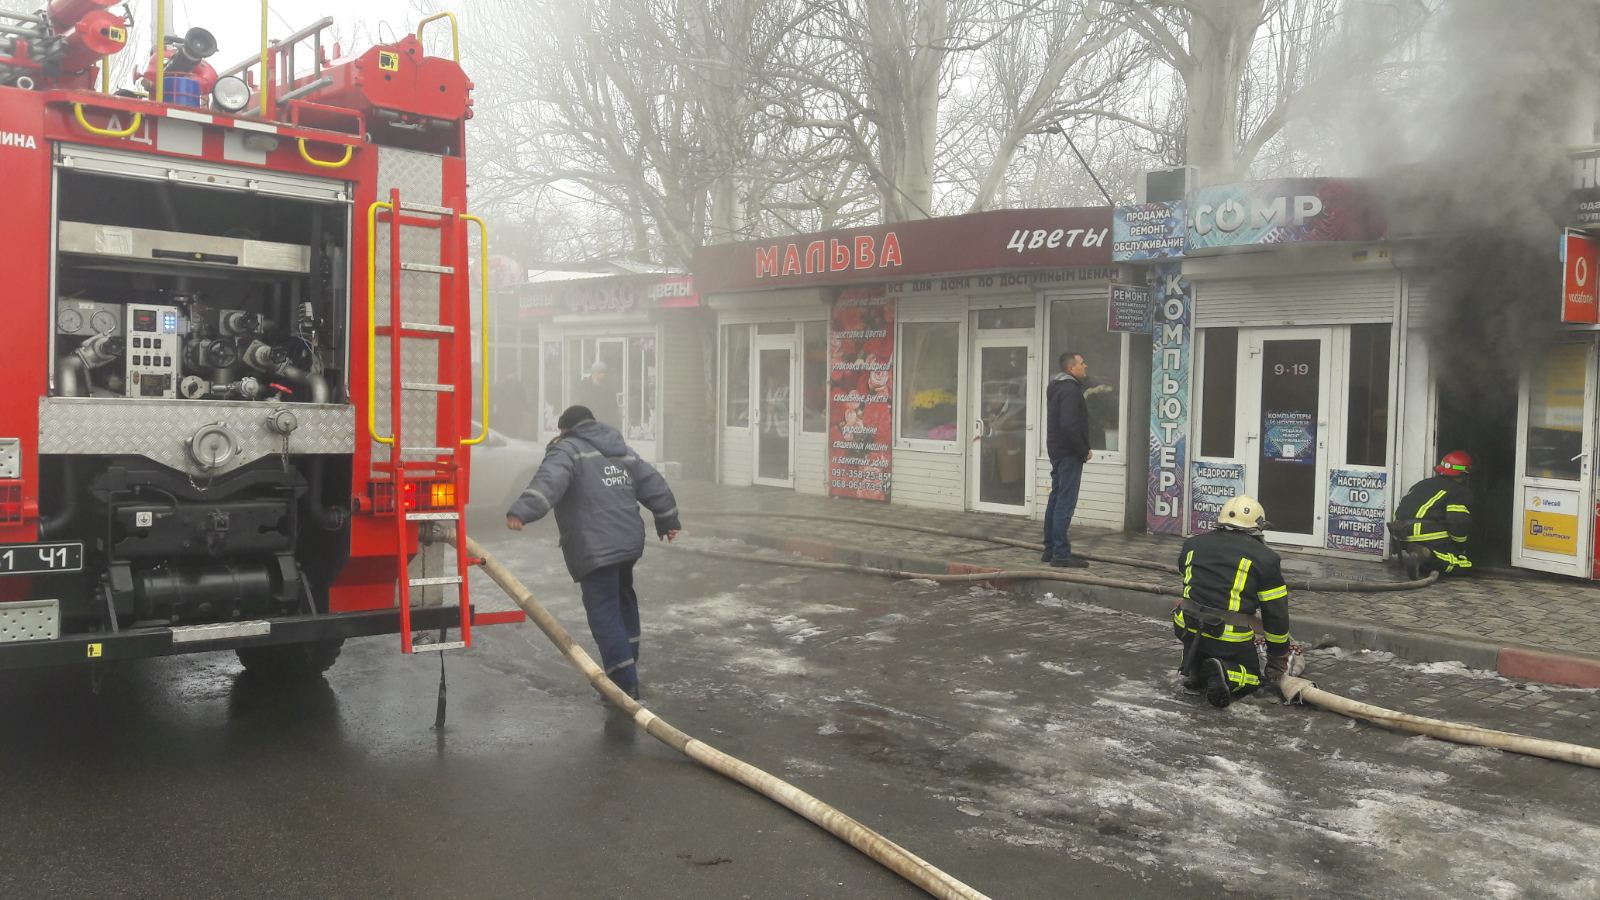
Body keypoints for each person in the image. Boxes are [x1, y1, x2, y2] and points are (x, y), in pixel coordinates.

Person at [505, 405, 681, 700]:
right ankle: (629, 664)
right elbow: (653, 483)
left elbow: (550, 480)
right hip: (628, 543)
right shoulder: (618, 448)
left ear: (564, 429)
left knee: (604, 612)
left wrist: (523, 511)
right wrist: (668, 520)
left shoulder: (567, 449)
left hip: (595, 547)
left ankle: (623, 687)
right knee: (624, 600)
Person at [1174, 495, 1293, 708]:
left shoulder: (1192, 544)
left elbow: (1191, 577)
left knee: (1200, 646)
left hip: (1186, 625)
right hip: (1226, 636)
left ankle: (1195, 668)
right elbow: (1275, 613)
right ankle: (1227, 674)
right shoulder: (1266, 558)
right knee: (1254, 679)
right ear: (1257, 527)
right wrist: (1278, 653)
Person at [1387, 451, 1474, 579]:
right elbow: (1457, 521)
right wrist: (1459, 545)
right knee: (1465, 565)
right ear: (1464, 474)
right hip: (1424, 533)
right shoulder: (1459, 491)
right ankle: (1425, 555)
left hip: (1400, 531)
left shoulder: (1422, 484)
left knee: (1432, 559)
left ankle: (1418, 554)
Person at [1043, 352, 1092, 567]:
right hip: (1069, 452)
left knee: (1055, 499)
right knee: (1065, 502)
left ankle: (1050, 550)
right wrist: (1083, 450)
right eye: (1082, 363)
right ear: (1071, 368)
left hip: (1057, 450)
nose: (1086, 366)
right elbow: (1069, 424)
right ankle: (1061, 554)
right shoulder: (1071, 391)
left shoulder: (1056, 387)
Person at [574, 360, 621, 428]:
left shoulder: (609, 387)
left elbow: (613, 405)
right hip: (589, 421)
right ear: (594, 373)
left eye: (604, 372)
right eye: (600, 372)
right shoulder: (585, 386)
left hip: (605, 421)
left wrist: (616, 421)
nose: (603, 375)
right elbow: (581, 403)